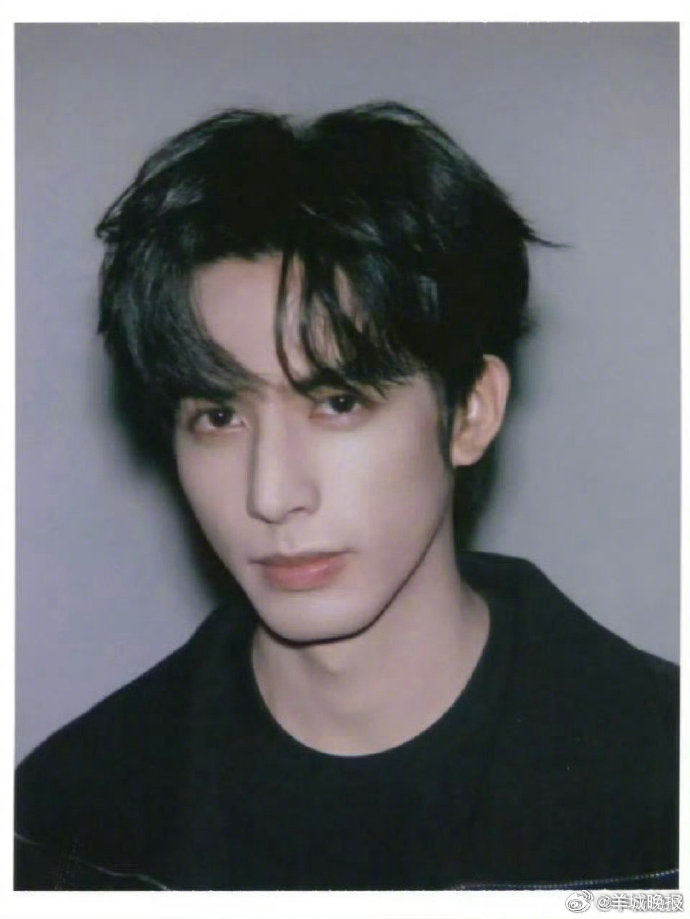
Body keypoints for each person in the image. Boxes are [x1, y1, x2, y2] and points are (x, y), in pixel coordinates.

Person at [15, 102, 679, 891]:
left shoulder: (658, 783)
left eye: (337, 402)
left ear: (471, 411)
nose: (271, 494)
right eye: (219, 416)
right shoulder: (71, 818)